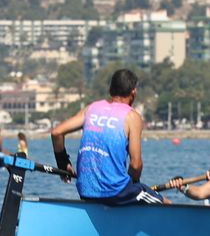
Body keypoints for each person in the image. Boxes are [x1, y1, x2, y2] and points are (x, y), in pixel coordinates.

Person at [48, 67, 163, 205]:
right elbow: (136, 165)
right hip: (115, 191)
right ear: (134, 92)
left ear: (110, 90)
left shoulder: (92, 108)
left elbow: (56, 132)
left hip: (85, 190)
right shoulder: (132, 117)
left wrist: (63, 164)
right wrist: (133, 186)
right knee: (166, 204)